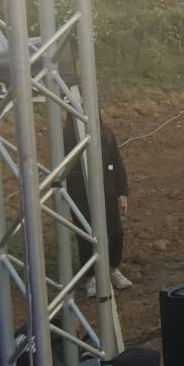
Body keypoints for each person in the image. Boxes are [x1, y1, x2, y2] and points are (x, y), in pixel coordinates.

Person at [62, 110, 131, 295]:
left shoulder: (106, 134)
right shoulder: (67, 138)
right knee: (86, 236)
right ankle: (91, 276)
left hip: (107, 194)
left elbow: (116, 162)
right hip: (80, 196)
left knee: (115, 233)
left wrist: (122, 192)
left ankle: (113, 268)